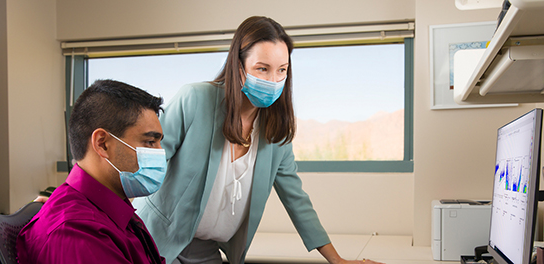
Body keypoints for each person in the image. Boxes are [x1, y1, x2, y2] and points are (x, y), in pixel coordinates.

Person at [132, 16, 383, 264]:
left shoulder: (276, 132)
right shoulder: (196, 100)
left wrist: (336, 260)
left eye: (281, 70)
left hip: (205, 250)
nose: (273, 80)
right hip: (156, 239)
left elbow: (295, 198)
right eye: (262, 68)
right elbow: (147, 165)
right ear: (238, 67)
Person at [17, 80, 167, 264]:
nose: (160, 153)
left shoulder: (110, 210)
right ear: (102, 144)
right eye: (150, 142)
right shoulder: (76, 234)